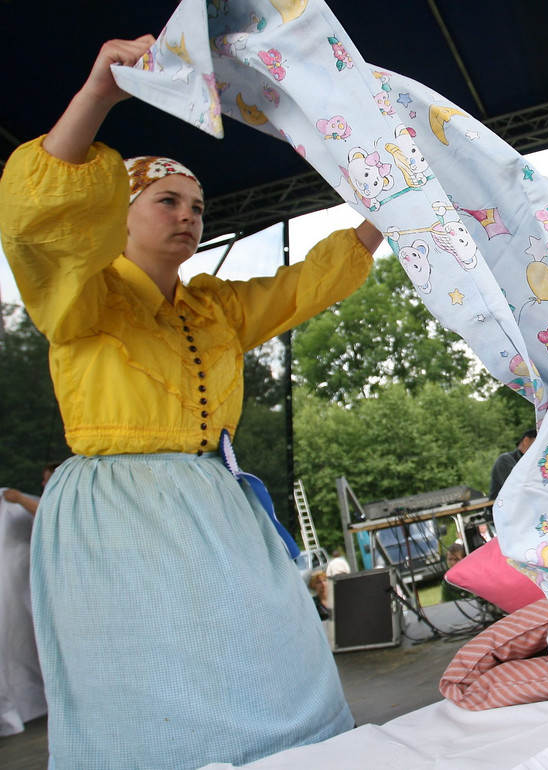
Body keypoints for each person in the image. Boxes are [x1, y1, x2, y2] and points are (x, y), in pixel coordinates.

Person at [0, 36, 383, 770]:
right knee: (162, 667)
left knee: (274, 638)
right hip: (122, 507)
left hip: (213, 496)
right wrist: (98, 96)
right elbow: (38, 219)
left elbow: (303, 284)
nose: (188, 215)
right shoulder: (79, 294)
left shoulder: (215, 306)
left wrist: (387, 214)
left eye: (198, 207)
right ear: (116, 215)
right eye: (167, 201)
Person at [489, 428, 537, 499]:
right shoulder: (505, 460)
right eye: (538, 443)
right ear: (526, 441)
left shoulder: (531, 464)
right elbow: (515, 489)